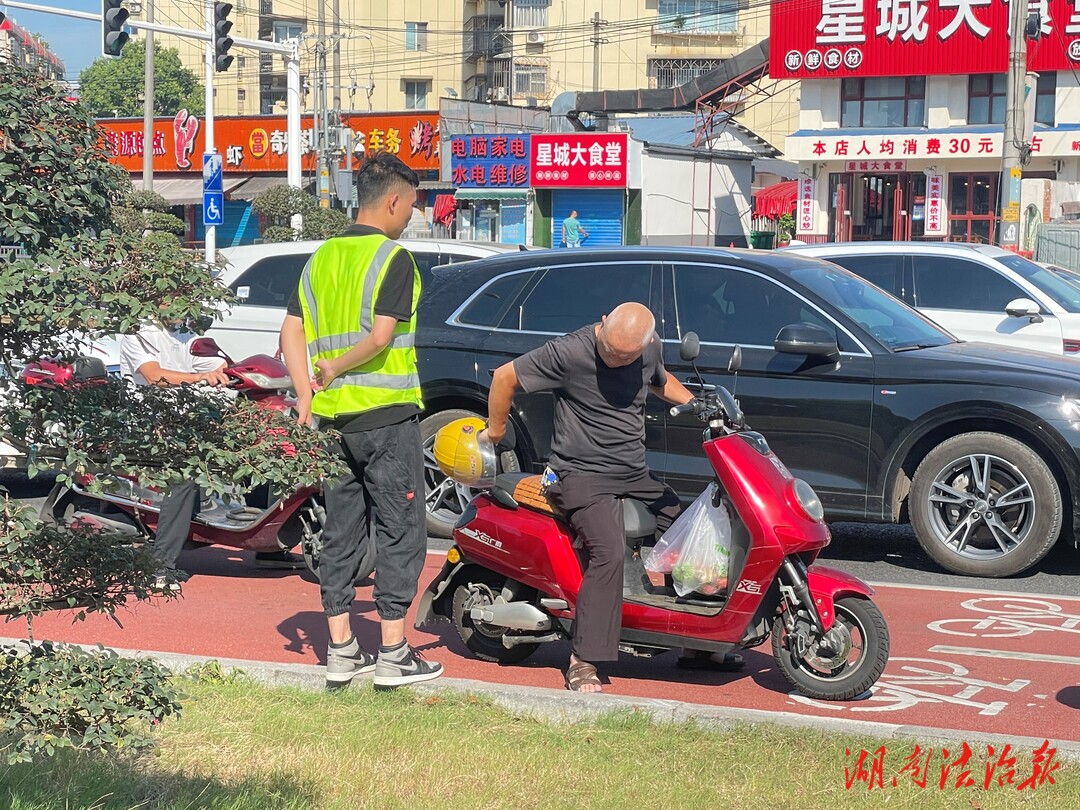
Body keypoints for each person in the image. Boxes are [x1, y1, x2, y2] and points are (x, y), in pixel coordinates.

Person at [484, 303, 744, 693]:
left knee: (687, 523)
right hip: (579, 474)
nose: (615, 359)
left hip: (631, 471)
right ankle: (583, 659)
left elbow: (658, 380)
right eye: (609, 350)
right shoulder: (569, 351)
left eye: (625, 357)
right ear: (602, 322)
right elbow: (505, 377)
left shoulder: (648, 347)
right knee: (608, 550)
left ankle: (693, 640)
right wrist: (495, 430)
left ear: (644, 345)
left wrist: (694, 404)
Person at [279, 151, 443, 690]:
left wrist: (307, 395)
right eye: (411, 207)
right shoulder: (394, 259)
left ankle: (341, 649)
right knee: (401, 529)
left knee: (341, 531)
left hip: (332, 424)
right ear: (393, 200)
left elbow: (291, 333)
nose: (411, 218)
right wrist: (337, 366)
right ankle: (394, 653)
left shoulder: (319, 260)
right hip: (386, 418)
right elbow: (378, 337)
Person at [119, 323, 305, 590]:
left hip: (187, 420)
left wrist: (226, 372)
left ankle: (268, 548)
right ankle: (160, 567)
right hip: (150, 424)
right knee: (185, 475)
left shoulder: (186, 333)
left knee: (257, 448)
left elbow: (210, 363)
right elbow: (153, 376)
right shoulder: (139, 333)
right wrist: (199, 379)